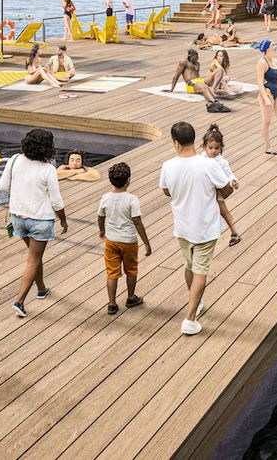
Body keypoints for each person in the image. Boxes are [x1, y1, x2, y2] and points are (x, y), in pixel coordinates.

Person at [159, 121, 234, 335]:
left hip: (182, 227)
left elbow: (166, 190)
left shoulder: (168, 166)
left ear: (175, 142)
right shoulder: (208, 165)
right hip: (205, 228)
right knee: (201, 271)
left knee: (189, 265)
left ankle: (196, 302)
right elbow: (226, 189)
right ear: (194, 140)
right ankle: (190, 319)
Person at [0, 127, 68, 318]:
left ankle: (41, 289)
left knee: (34, 256)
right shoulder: (48, 169)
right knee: (33, 259)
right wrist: (63, 220)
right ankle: (19, 302)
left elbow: (3, 186)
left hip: (18, 218)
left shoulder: (14, 160)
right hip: (40, 221)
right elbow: (56, 201)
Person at [98, 161, 150, 315]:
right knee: (131, 270)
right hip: (128, 241)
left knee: (112, 273)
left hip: (111, 241)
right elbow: (137, 222)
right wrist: (146, 243)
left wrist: (102, 230)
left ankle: (112, 303)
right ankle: (131, 297)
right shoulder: (132, 199)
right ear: (128, 180)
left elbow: (100, 216)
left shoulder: (106, 198)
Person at [203, 125, 242, 246]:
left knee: (224, 212)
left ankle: (235, 232)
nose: (213, 151)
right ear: (204, 147)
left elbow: (229, 174)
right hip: (204, 191)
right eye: (210, 148)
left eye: (216, 148)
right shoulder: (201, 159)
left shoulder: (222, 162)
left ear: (221, 148)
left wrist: (233, 181)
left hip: (217, 192)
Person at [167, 49, 230, 113]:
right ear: (190, 56)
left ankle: (213, 89)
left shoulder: (197, 63)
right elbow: (176, 75)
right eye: (196, 56)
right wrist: (171, 89)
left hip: (199, 81)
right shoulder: (184, 62)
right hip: (191, 83)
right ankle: (212, 103)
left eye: (197, 56)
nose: (198, 58)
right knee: (204, 86)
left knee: (219, 70)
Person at [256, 39, 277, 155]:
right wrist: (265, 98)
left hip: (276, 94)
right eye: (273, 45)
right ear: (267, 48)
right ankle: (267, 147)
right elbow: (260, 82)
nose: (275, 46)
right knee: (267, 121)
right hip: (267, 93)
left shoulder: (275, 61)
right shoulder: (262, 62)